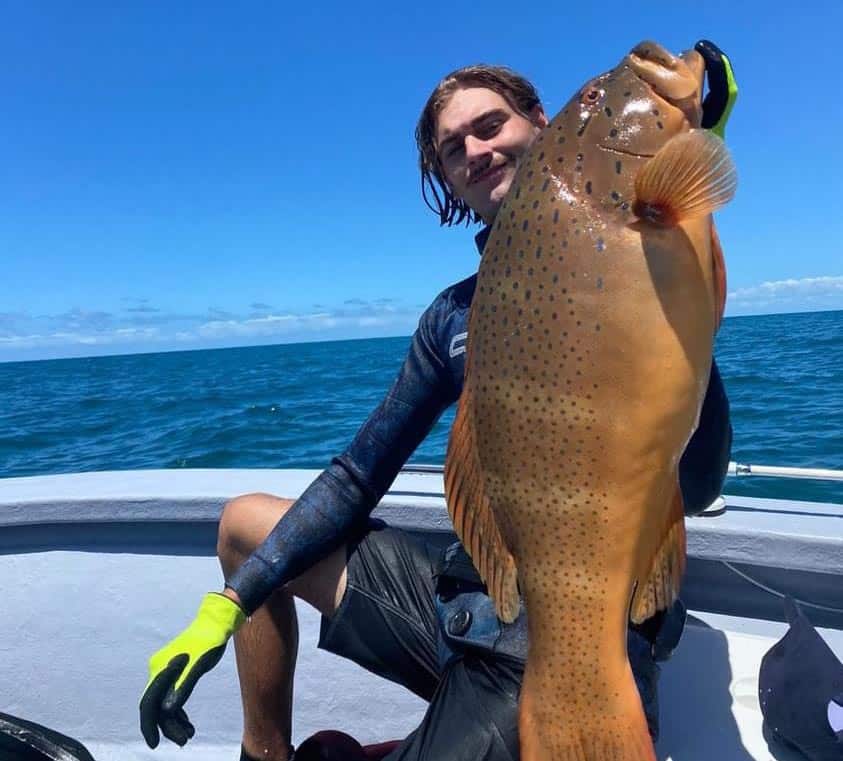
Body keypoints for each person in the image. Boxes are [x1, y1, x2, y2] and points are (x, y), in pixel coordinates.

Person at [140, 63, 733, 761]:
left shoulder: (643, 248)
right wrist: (231, 602)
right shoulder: (451, 315)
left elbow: (696, 485)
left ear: (540, 126)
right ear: (447, 179)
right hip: (464, 605)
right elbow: (358, 475)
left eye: (490, 126)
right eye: (454, 148)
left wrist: (678, 213)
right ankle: (263, 754)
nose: (476, 151)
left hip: (571, 634)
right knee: (246, 527)